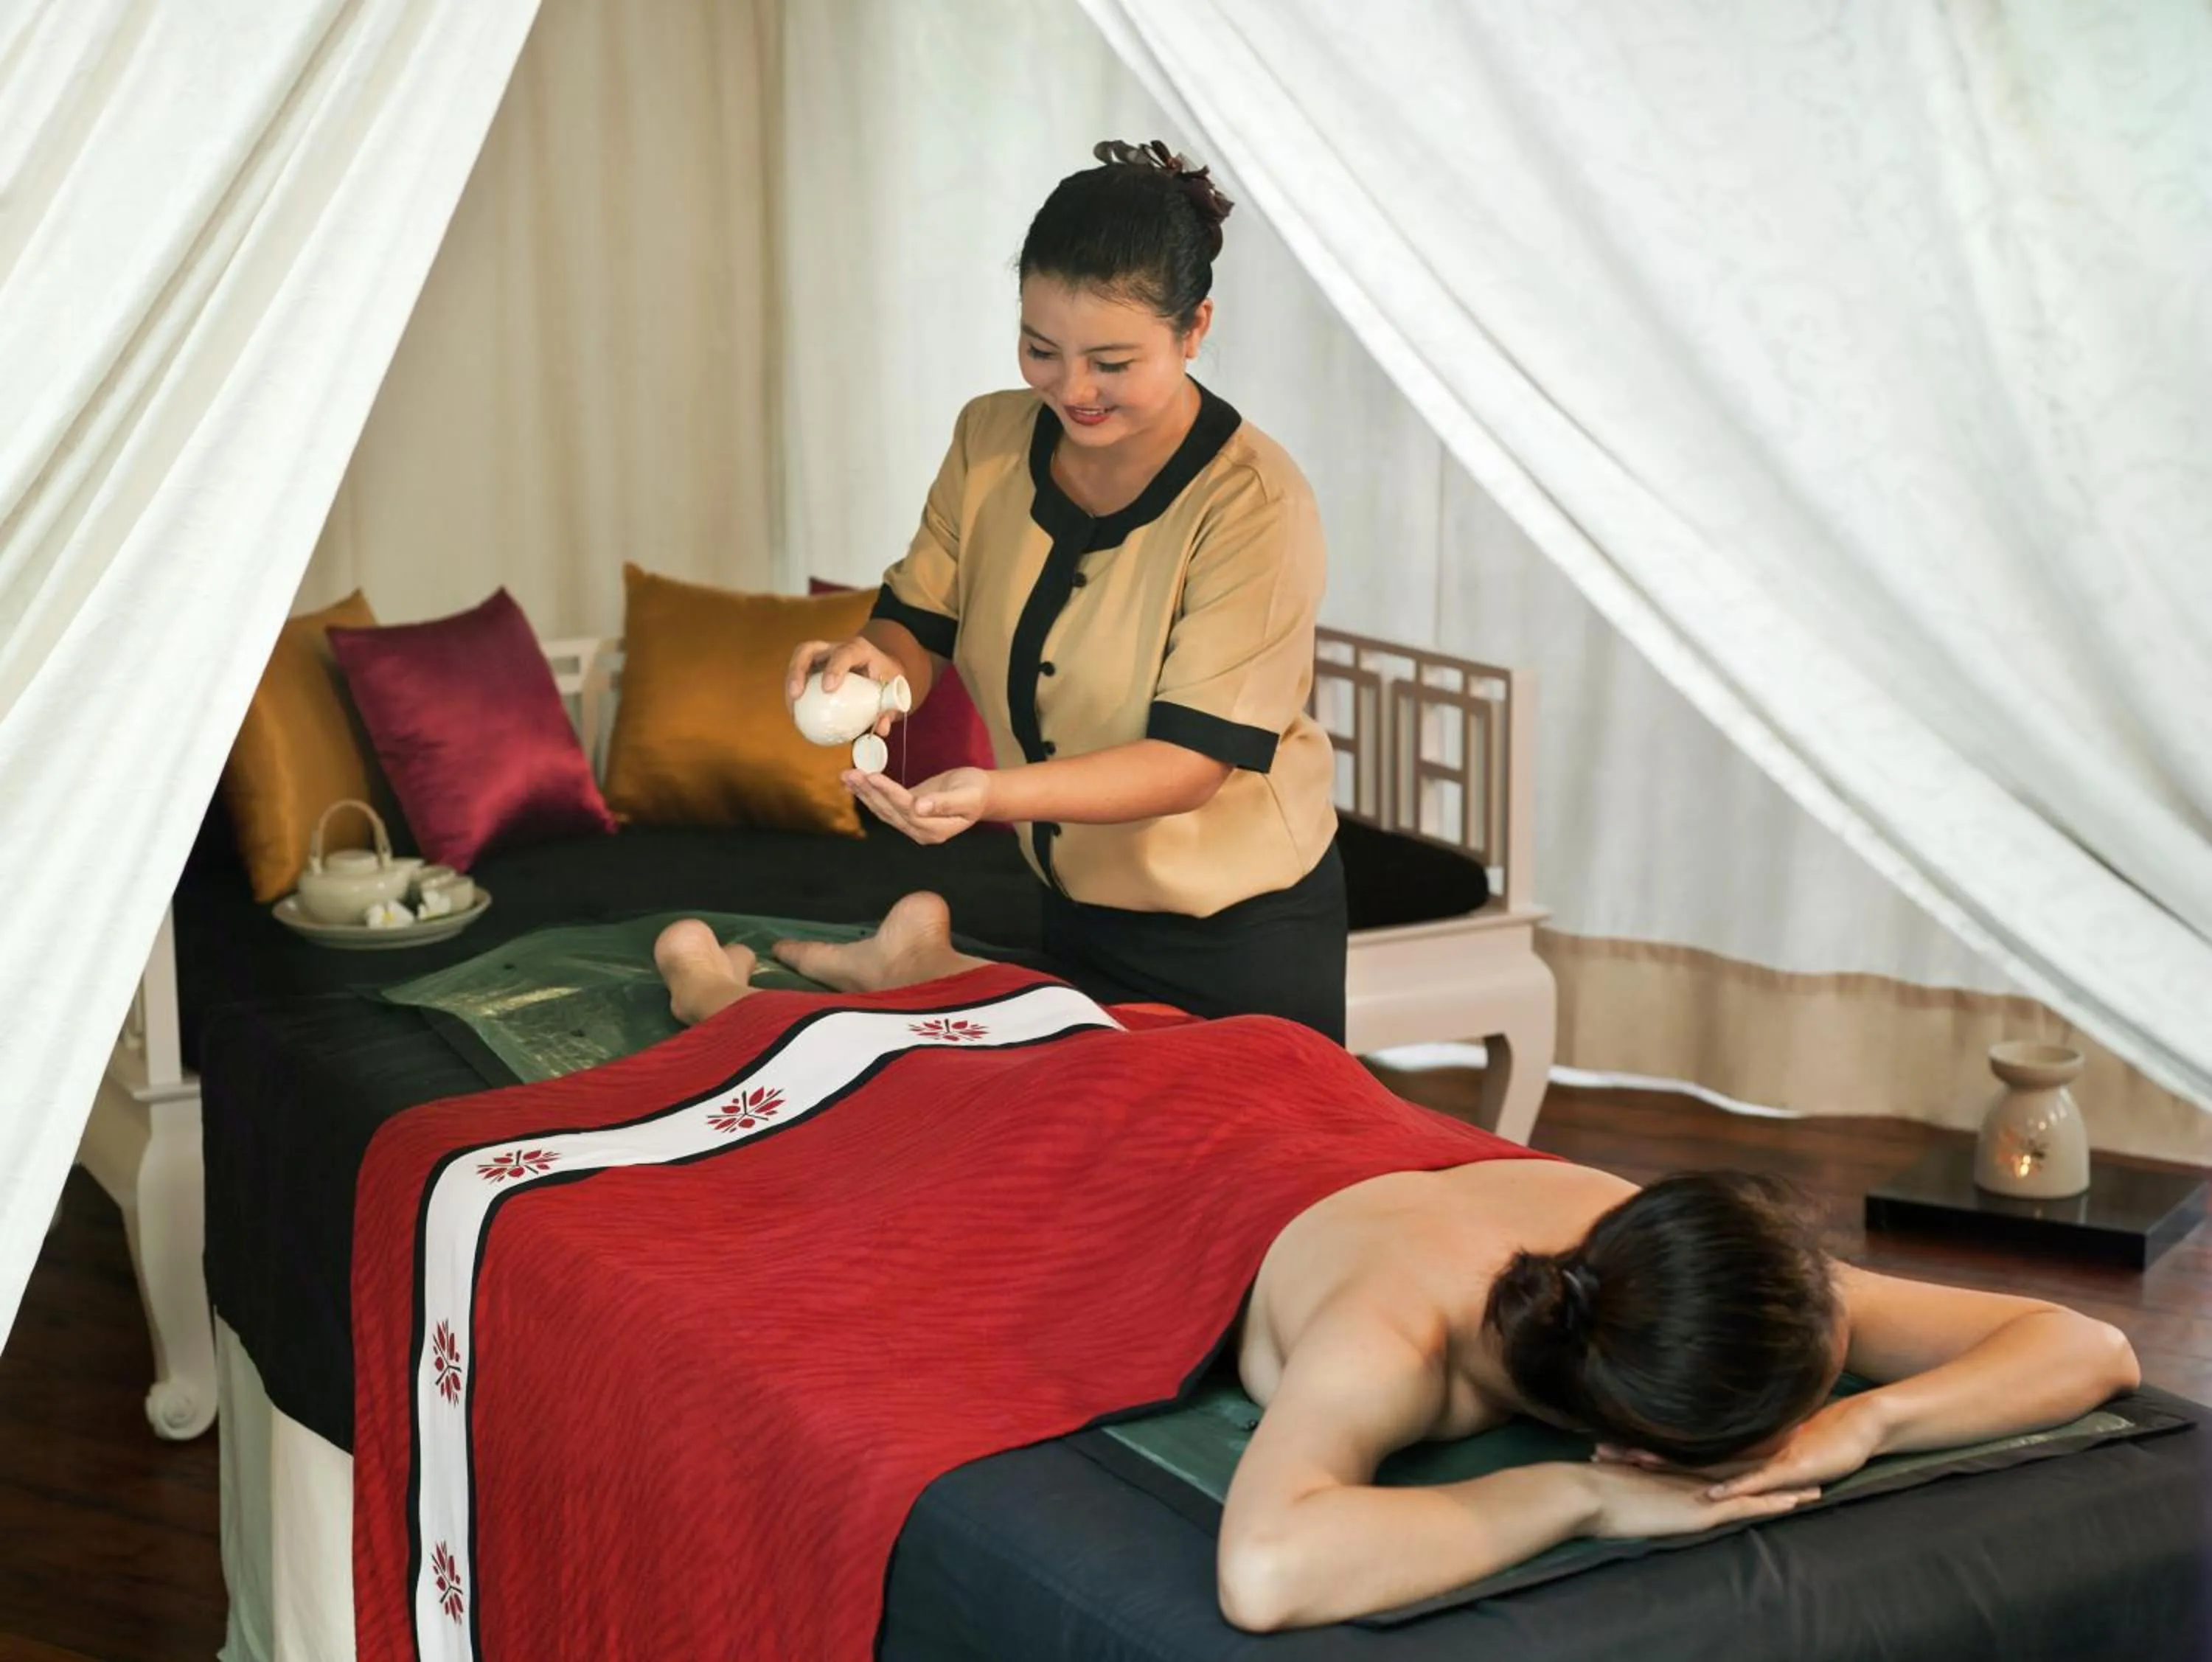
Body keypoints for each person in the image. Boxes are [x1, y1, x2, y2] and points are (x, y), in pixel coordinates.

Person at [653, 900, 2144, 1632]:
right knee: (916, 1108)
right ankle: (720, 985)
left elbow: (2087, 1347)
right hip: (1166, 1147)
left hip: (1288, 1102)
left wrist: (1865, 1415)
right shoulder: (1398, 1337)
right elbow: (1268, 1564)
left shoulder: (1677, 1279)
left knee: (1060, 1045)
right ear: (1634, 1425)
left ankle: (916, 967)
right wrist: (1572, 1492)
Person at [785, 139, 1348, 1040]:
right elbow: (919, 622)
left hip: (1240, 941)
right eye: (1041, 348)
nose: (1072, 389)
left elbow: (1190, 763)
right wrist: (864, 671)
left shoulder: (1255, 505)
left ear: (1195, 328)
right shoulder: (990, 440)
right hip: (1071, 913)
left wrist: (992, 795)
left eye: (1113, 363)